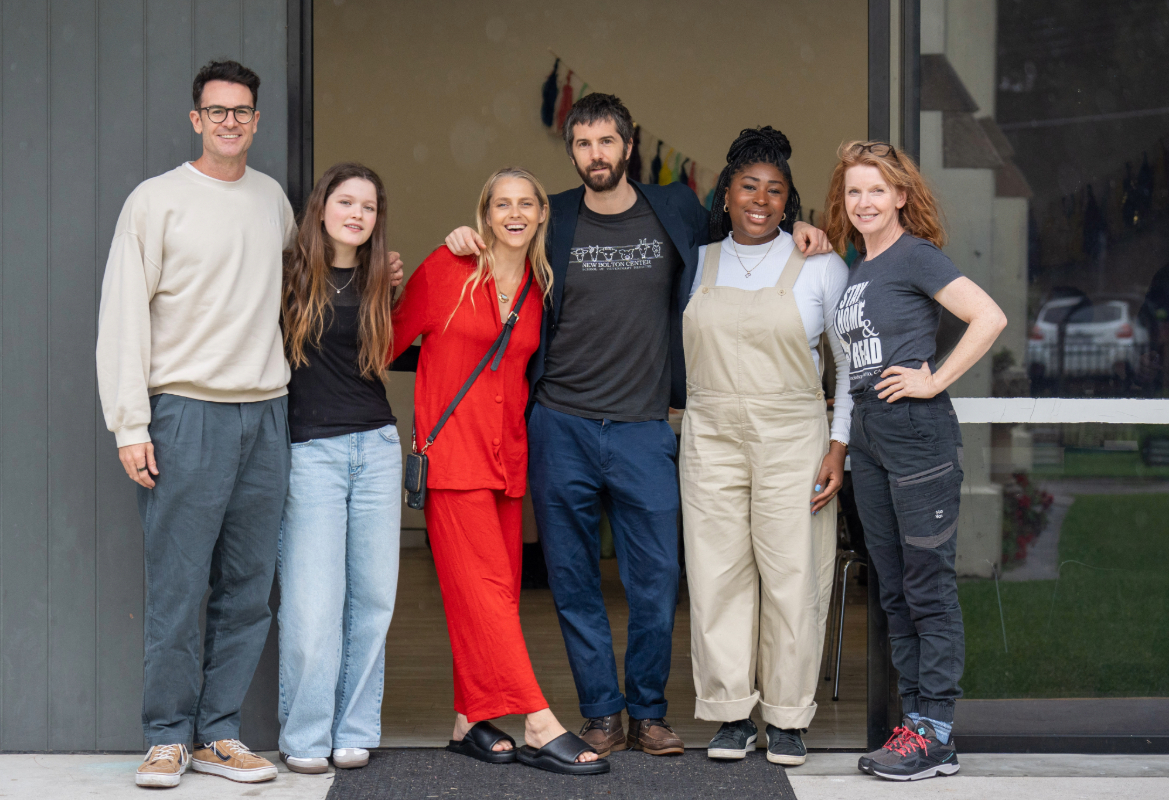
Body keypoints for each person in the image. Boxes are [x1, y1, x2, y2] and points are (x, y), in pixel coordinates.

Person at [446, 93, 832, 757]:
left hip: (646, 427)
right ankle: (601, 713)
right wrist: (463, 240)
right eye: (584, 144)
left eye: (607, 142)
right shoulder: (552, 215)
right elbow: (500, 243)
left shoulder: (675, 209)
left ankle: (648, 712)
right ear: (572, 152)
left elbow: (748, 228)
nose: (596, 155)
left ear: (627, 146)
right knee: (571, 582)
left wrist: (805, 230)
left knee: (656, 581)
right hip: (559, 425)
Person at [96, 60, 292, 788]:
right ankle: (166, 736)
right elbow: (122, 315)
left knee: (248, 586)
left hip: (266, 412)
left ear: (256, 120)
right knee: (178, 585)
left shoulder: (273, 201)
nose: (230, 121)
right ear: (196, 119)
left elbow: (301, 293)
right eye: (217, 111)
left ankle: (218, 734)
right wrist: (130, 424)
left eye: (242, 111)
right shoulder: (156, 202)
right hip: (186, 413)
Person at [394, 168, 608, 775]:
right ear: (485, 214)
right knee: (487, 596)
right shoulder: (447, 270)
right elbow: (382, 341)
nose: (514, 214)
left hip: (508, 461)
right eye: (501, 204)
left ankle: (468, 720)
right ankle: (540, 722)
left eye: (526, 204)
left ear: (543, 214)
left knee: (494, 595)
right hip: (453, 461)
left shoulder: (542, 286)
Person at [824, 142, 1007, 781]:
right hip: (873, 436)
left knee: (927, 585)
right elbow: (852, 366)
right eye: (853, 191)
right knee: (896, 589)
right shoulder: (858, 269)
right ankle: (916, 728)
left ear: (901, 196)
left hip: (915, 433)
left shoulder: (915, 256)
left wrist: (934, 379)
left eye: (876, 190)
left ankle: (935, 731)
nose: (864, 202)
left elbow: (988, 316)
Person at [680, 127, 849, 766]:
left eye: (774, 190)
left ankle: (785, 717)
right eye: (749, 186)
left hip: (794, 434)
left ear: (789, 201)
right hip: (711, 433)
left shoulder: (822, 265)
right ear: (726, 194)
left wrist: (840, 446)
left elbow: (851, 369)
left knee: (793, 574)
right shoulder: (696, 261)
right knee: (717, 572)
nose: (761, 199)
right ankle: (729, 714)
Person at [276, 163, 401, 774]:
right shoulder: (287, 275)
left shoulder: (382, 279)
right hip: (311, 454)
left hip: (376, 448)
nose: (357, 214)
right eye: (346, 201)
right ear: (322, 207)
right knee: (311, 605)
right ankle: (304, 736)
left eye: (369, 207)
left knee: (373, 599)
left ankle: (354, 728)